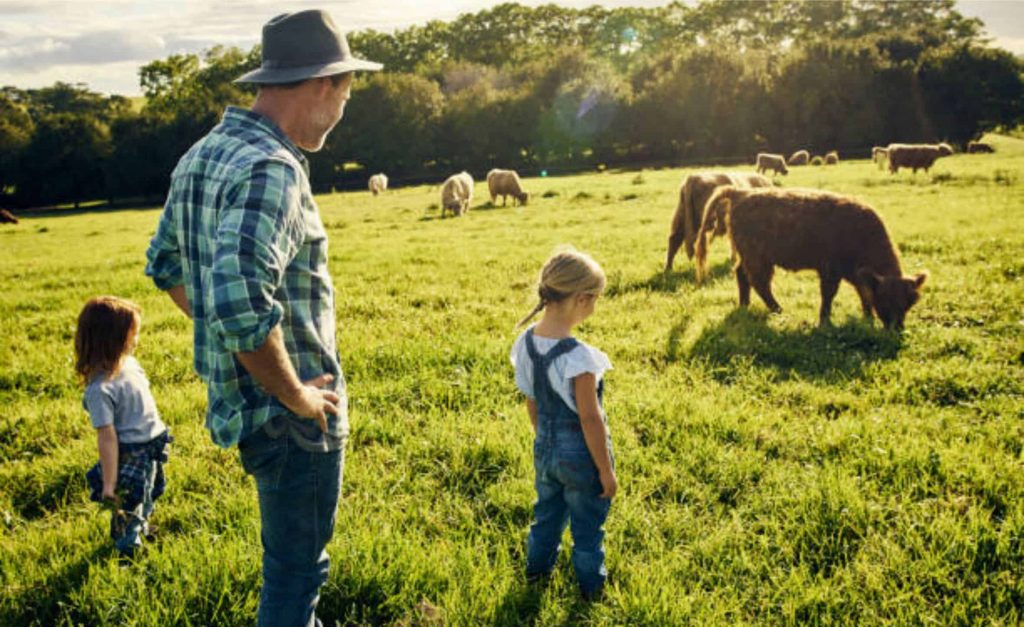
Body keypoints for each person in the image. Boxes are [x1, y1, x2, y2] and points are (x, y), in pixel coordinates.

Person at [144, 9, 381, 626]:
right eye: (348, 95)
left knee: (291, 563)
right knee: (296, 576)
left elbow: (165, 263)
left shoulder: (205, 153)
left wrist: (230, 343)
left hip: (245, 408)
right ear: (324, 84)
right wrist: (297, 394)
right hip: (291, 420)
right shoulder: (272, 169)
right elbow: (239, 299)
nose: (343, 111)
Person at [509, 248, 617, 600]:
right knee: (587, 528)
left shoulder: (524, 343)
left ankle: (536, 575)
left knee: (546, 518)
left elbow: (532, 400)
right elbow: (590, 418)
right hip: (580, 458)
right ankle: (591, 592)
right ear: (582, 300)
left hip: (544, 449)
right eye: (595, 300)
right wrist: (605, 470)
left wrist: (544, 440)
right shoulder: (579, 358)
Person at [76, 296, 171, 558]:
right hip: (130, 451)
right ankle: (128, 550)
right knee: (129, 503)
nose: (137, 339)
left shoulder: (128, 364)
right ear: (112, 338)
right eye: (133, 334)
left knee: (151, 492)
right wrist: (109, 483)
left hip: (153, 444)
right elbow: (106, 438)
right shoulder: (100, 390)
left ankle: (141, 525)